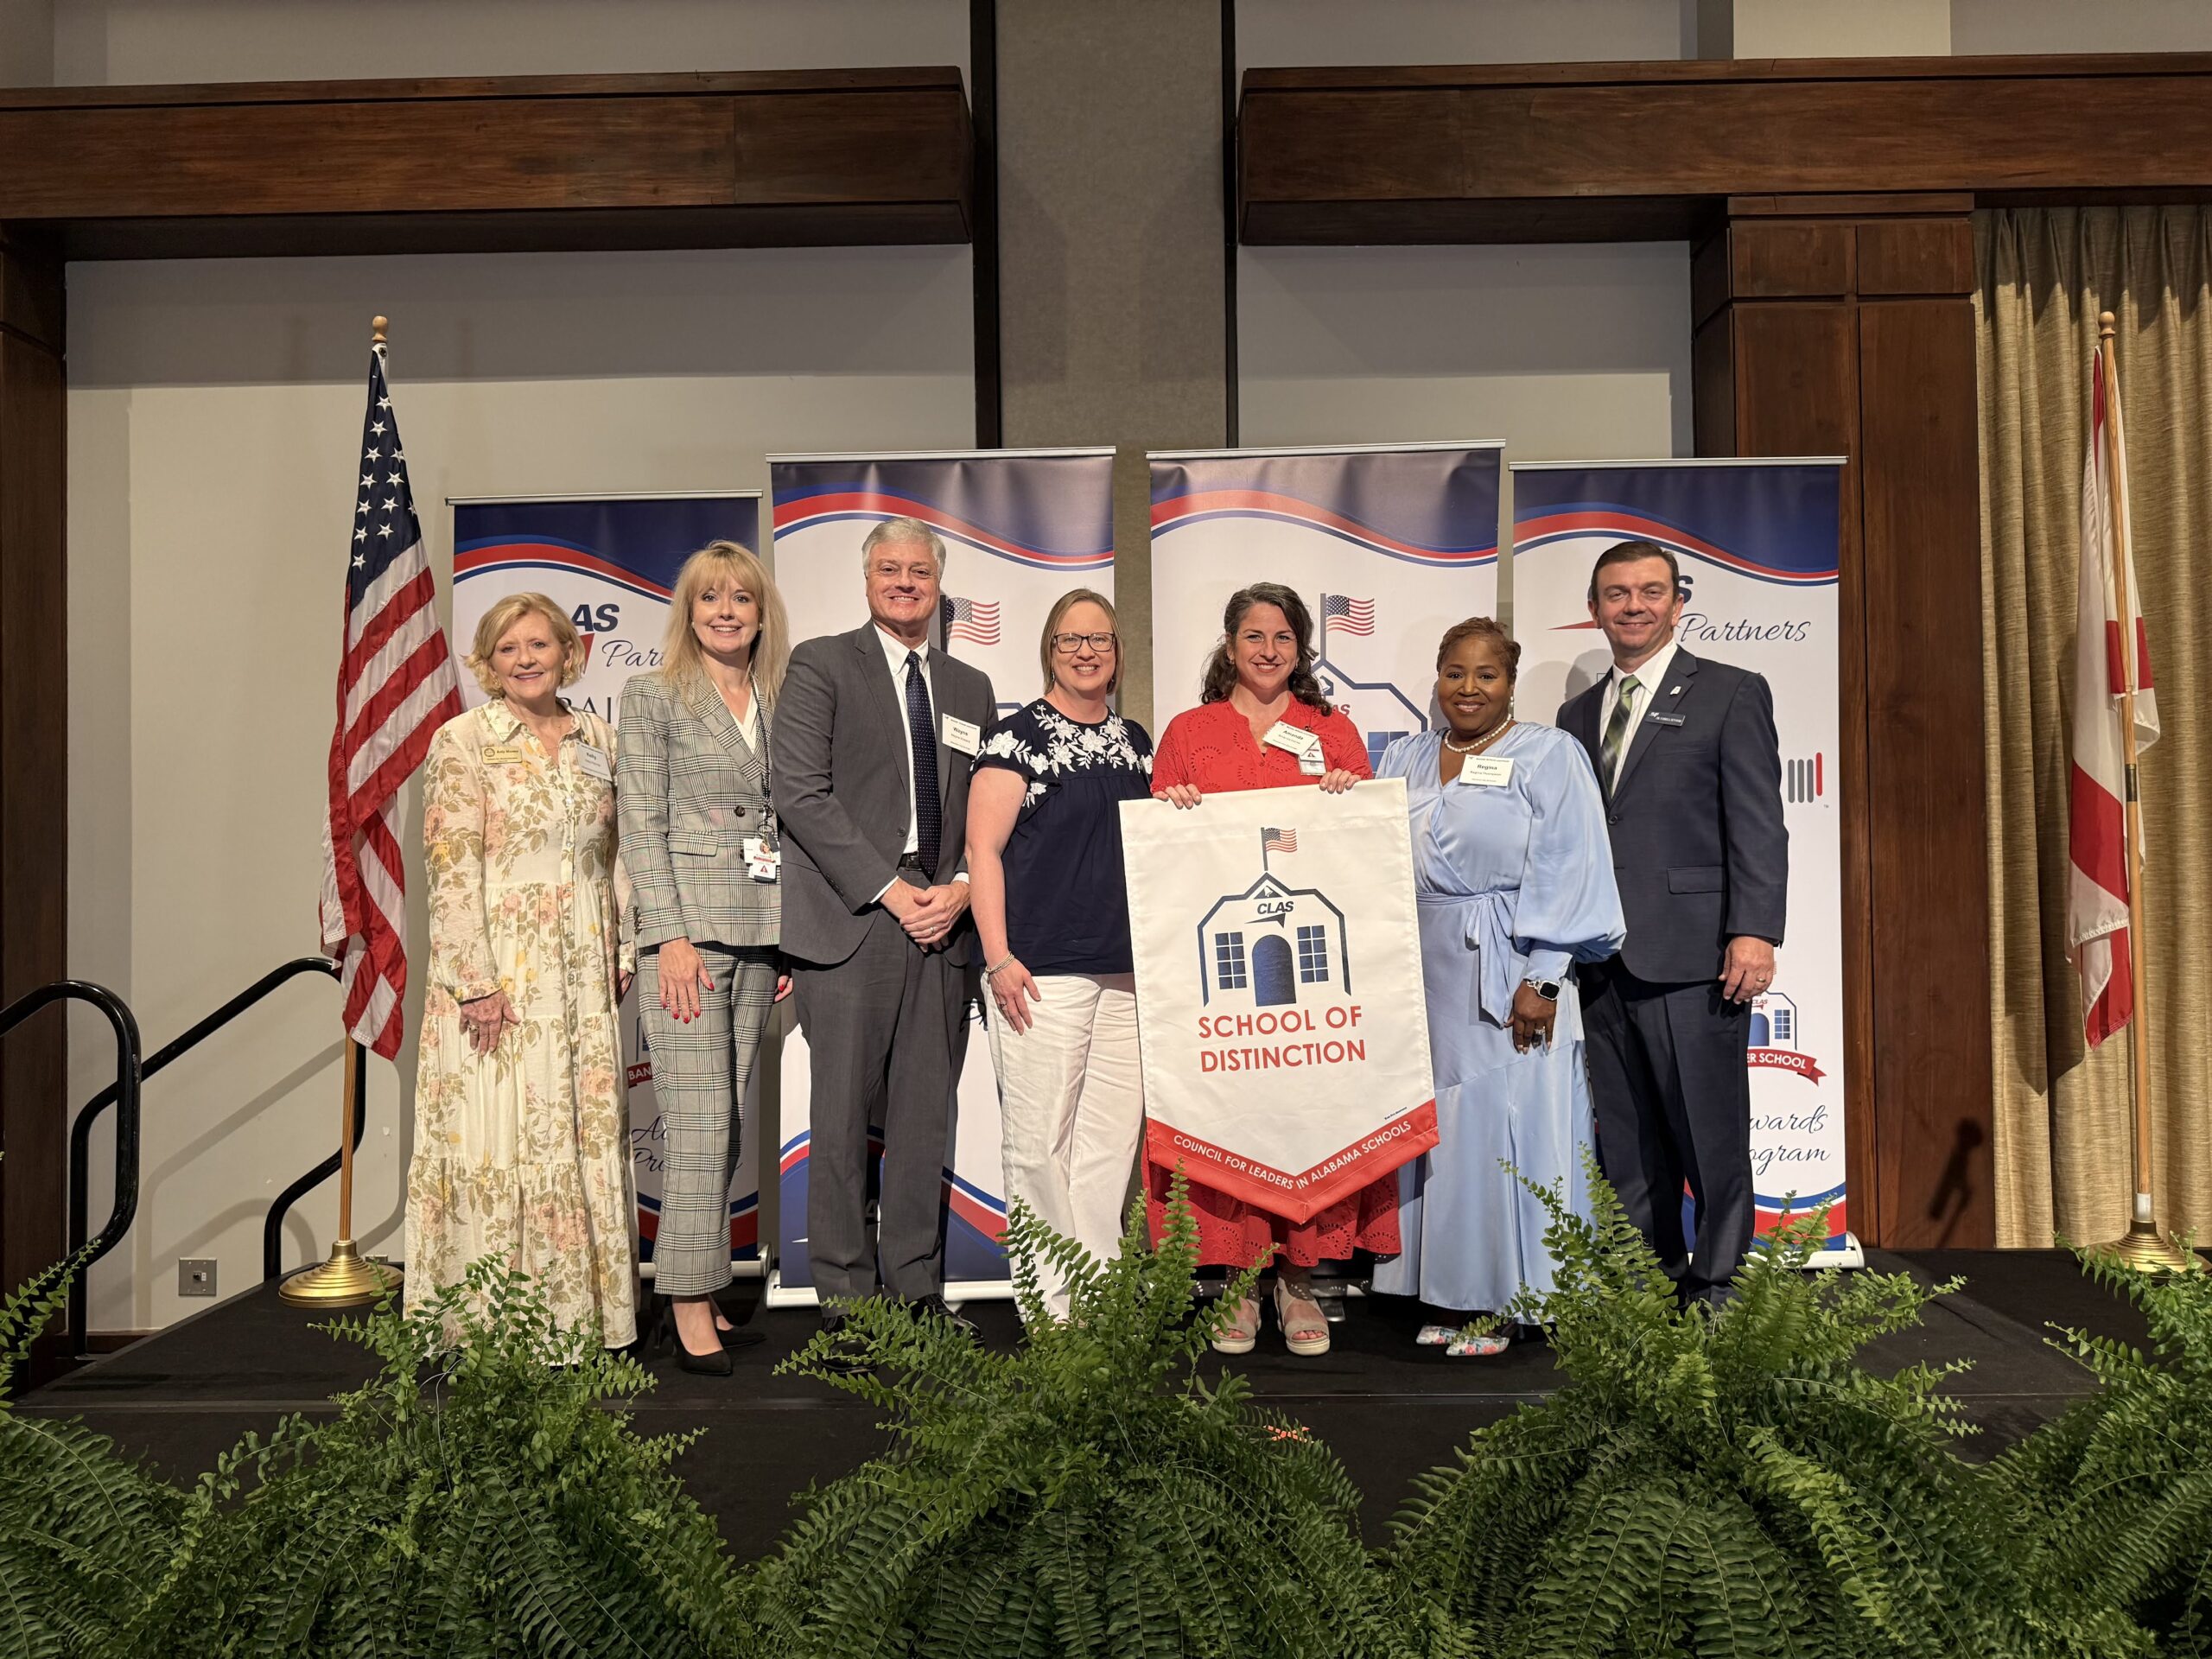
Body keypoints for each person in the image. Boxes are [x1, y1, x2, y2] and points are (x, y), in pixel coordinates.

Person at [773, 517, 997, 1356]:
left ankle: (913, 1288)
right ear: (867, 579)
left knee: (922, 1117)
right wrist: (890, 890)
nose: (905, 583)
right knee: (836, 1118)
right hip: (854, 919)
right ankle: (846, 1300)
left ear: (938, 584)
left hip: (943, 925)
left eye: (918, 571)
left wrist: (960, 893)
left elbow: (985, 811)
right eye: (889, 570)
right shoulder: (822, 665)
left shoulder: (972, 687)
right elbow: (800, 794)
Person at [1372, 619, 1624, 1353]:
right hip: (1424, 975)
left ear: (1510, 683)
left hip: (1515, 966)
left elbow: (1572, 864)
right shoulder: (1409, 757)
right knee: (1447, 1136)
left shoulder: (1549, 755)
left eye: (1486, 675)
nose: (1469, 688)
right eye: (1455, 673)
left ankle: (1510, 1301)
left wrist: (1543, 978)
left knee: (1512, 1131)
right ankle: (1451, 1292)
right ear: (1438, 678)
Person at [1149, 581, 1382, 1357]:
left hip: (1315, 986)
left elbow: (1362, 855)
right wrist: (1172, 807)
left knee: (1306, 1113)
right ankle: (1241, 1282)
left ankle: (1300, 1279)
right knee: (1233, 1115)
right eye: (1253, 635)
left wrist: (1349, 799)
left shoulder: (1333, 732)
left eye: (1283, 637)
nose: (1268, 650)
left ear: (1301, 648)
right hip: (1222, 983)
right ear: (1229, 645)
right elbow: (1160, 857)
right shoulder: (1188, 732)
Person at [1556, 539, 1787, 1307]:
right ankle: (1646, 1283)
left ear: (1678, 602)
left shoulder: (1731, 691)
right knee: (1626, 1140)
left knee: (1709, 1135)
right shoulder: (1575, 715)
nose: (1633, 605)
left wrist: (1755, 930)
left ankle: (1718, 1286)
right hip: (1601, 961)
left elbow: (1759, 822)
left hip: (1695, 956)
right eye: (1616, 593)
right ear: (1595, 609)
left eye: (1650, 591)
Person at [406, 593, 637, 1347]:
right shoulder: (462, 740)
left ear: (570, 652)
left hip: (582, 972)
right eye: (509, 649)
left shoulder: (599, 737)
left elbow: (620, 854)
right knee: (500, 1139)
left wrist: (625, 946)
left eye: (540, 644)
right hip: (501, 972)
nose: (527, 659)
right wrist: (475, 983)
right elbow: (450, 869)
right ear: (488, 662)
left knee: (578, 1138)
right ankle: (491, 1331)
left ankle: (581, 1323)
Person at [617, 541, 790, 1376]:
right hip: (686, 937)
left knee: (726, 1128)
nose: (726, 611)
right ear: (689, 611)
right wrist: (669, 936)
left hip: (761, 931)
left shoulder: (779, 698)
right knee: (694, 1124)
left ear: (762, 614)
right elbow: (640, 824)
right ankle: (685, 1298)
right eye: (710, 598)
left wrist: (789, 933)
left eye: (741, 599)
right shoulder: (651, 696)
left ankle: (703, 1279)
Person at [967, 589, 1154, 1325]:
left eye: (1100, 639)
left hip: (1127, 973)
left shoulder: (1136, 740)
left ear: (1116, 652)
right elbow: (981, 850)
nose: (1086, 651)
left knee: (1109, 1149)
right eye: (1072, 639)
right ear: (1049, 647)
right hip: (1039, 971)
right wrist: (999, 957)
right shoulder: (1016, 739)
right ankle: (1051, 1314)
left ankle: (1099, 1306)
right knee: (1040, 1145)